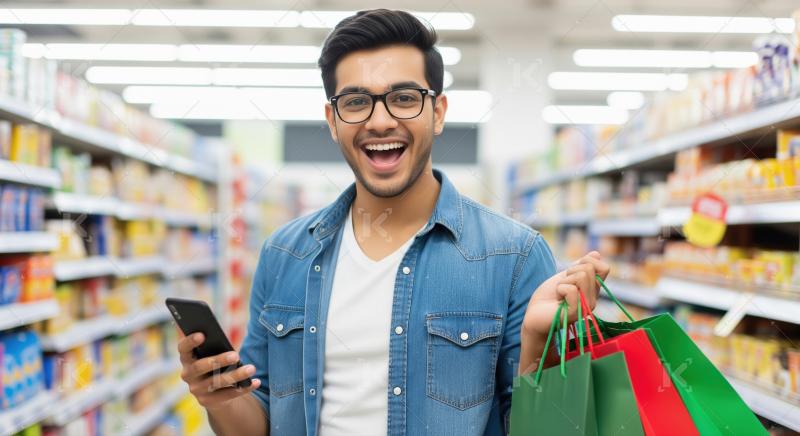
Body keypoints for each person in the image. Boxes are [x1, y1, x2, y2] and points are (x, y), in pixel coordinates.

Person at [175, 9, 609, 436]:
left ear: (437, 112)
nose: (380, 121)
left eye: (403, 98)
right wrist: (222, 397)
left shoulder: (514, 256)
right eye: (356, 102)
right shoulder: (284, 253)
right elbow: (260, 420)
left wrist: (539, 348)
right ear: (333, 121)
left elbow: (537, 426)